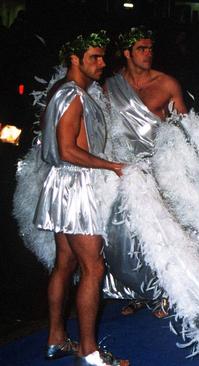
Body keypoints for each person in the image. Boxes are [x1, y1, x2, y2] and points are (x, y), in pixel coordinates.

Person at [33, 31, 127, 366]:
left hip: (62, 183)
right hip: (77, 185)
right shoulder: (73, 95)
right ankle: (89, 353)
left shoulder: (61, 91)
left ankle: (56, 339)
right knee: (93, 266)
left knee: (65, 264)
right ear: (75, 59)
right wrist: (111, 165)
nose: (102, 63)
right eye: (95, 58)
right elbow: (68, 149)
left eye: (103, 57)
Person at [102, 27, 187, 317]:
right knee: (125, 234)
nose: (148, 53)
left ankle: (166, 291)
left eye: (151, 48)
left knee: (162, 233)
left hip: (157, 167)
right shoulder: (110, 86)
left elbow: (185, 128)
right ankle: (138, 289)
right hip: (122, 169)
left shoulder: (167, 83)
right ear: (127, 53)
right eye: (141, 48)